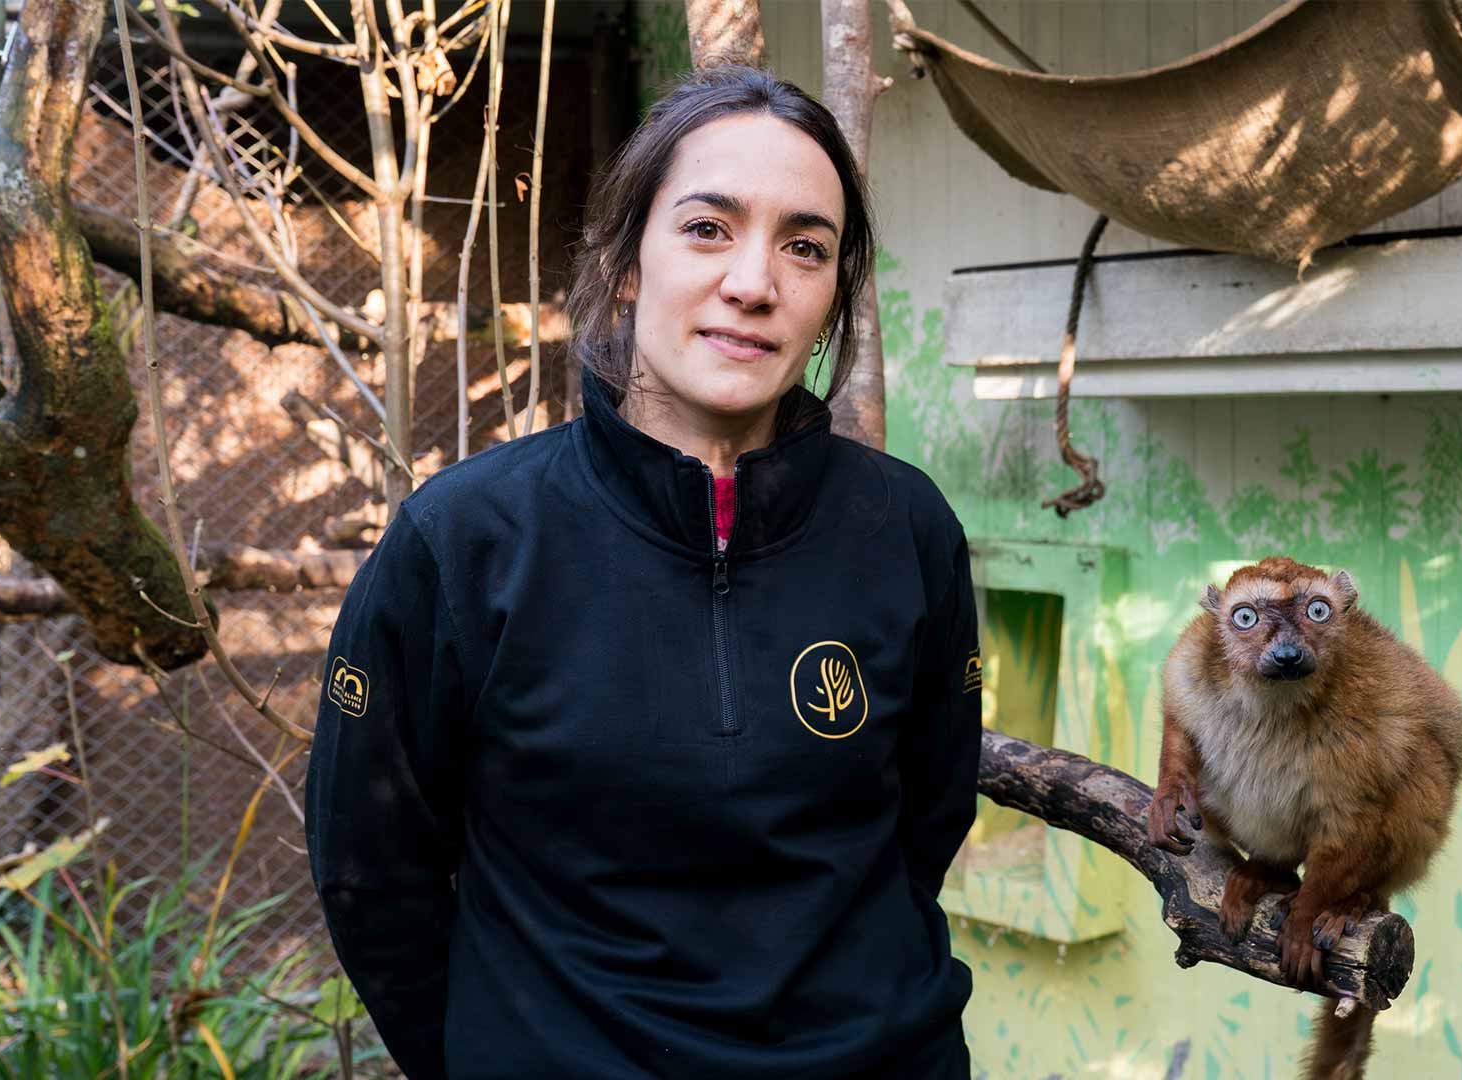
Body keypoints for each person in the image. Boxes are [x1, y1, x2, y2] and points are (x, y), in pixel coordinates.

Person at [303, 64, 982, 1080]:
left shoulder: (905, 526)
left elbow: (928, 817)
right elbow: (372, 868)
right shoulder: (468, 540)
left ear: (835, 292)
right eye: (708, 228)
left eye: (807, 247)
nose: (755, 284)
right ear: (626, 263)